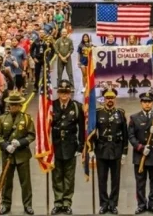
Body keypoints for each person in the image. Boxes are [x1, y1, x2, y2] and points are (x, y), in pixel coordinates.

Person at [0, 91, 36, 215]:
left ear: (20, 105)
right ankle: (5, 204)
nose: (14, 107)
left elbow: (31, 135)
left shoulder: (26, 118)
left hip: (22, 155)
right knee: (7, 182)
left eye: (17, 104)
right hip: (7, 156)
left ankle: (28, 205)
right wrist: (6, 146)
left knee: (25, 182)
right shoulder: (2, 119)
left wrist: (21, 142)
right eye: (12, 104)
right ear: (9, 105)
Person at [90, 88, 128, 215]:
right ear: (104, 99)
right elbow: (92, 133)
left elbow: (125, 134)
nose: (110, 100)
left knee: (115, 180)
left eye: (112, 98)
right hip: (101, 149)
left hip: (116, 149)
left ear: (115, 99)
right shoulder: (97, 113)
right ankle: (104, 203)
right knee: (102, 179)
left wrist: (124, 152)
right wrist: (91, 151)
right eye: (107, 98)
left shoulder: (121, 113)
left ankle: (113, 204)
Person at [50, 80, 85, 215]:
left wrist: (81, 146)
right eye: (61, 92)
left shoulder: (76, 107)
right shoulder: (51, 106)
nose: (64, 95)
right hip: (56, 146)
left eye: (66, 92)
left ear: (70, 93)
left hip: (70, 146)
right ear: (58, 93)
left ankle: (67, 202)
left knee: (69, 177)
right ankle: (58, 202)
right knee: (57, 176)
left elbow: (81, 128)